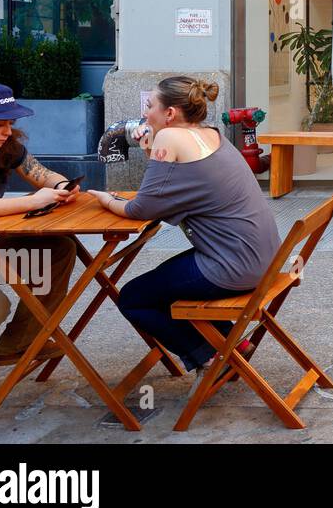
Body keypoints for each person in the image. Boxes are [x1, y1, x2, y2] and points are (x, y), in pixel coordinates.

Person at [86, 77, 279, 383]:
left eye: (150, 106)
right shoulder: (212, 133)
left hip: (232, 267)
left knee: (134, 298)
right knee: (163, 287)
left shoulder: (169, 138)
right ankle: (231, 342)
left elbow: (141, 209)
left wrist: (104, 199)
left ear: (170, 114)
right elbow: (168, 190)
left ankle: (213, 355)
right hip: (265, 261)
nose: (146, 114)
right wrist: (150, 151)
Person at [0, 82, 78, 371]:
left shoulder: (5, 146)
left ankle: (21, 344)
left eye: (10, 122)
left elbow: (41, 174)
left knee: (57, 249)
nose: (7, 130)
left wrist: (61, 186)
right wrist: (31, 202)